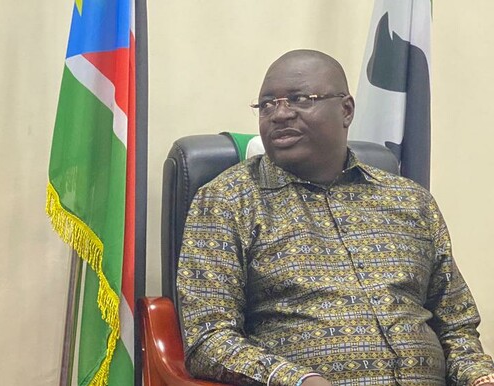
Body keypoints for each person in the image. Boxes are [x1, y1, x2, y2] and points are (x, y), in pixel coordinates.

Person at [177, 49, 494, 386]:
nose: (280, 114)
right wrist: (299, 380)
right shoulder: (228, 199)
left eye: (299, 99)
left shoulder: (409, 200)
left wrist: (478, 378)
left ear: (346, 110)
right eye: (267, 104)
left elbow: (456, 326)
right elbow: (207, 338)